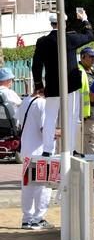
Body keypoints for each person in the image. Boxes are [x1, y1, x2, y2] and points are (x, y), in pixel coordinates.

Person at [32, 10, 93, 156]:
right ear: (63, 23)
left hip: (52, 85)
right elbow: (89, 35)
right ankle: (70, 149)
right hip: (71, 85)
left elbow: (36, 65)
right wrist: (84, 20)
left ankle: (47, 150)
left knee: (50, 117)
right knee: (71, 117)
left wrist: (39, 85)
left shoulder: (42, 41)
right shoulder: (69, 38)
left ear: (51, 24)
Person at [19, 90, 54, 230]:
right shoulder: (42, 103)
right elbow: (45, 130)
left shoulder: (25, 101)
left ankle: (27, 218)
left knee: (27, 185)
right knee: (43, 186)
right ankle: (38, 219)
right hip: (40, 153)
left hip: (27, 150)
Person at [78, 47, 94, 155]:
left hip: (93, 113)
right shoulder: (79, 71)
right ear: (82, 57)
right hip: (87, 115)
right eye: (90, 57)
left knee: (87, 145)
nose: (93, 59)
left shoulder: (93, 71)